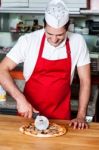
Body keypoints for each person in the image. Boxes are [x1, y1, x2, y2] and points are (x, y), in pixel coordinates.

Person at [0, 0, 91, 129]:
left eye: (60, 35)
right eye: (49, 34)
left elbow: (85, 80)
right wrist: (20, 99)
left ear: (67, 28)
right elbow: (2, 69)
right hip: (29, 114)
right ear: (44, 26)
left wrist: (81, 115)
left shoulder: (78, 42)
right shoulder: (28, 41)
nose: (54, 40)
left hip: (62, 117)